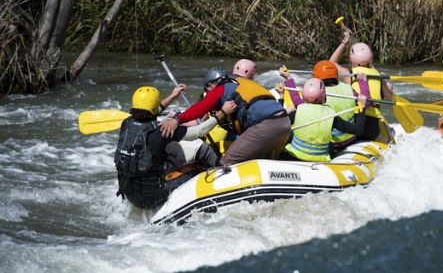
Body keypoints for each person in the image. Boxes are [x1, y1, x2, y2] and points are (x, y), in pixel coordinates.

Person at [114, 86, 236, 208]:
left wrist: (172, 96)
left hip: (129, 194)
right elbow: (201, 131)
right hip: (153, 197)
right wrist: (222, 112)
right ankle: (224, 173)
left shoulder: (126, 123)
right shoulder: (162, 130)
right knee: (196, 167)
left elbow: (153, 110)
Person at [159, 68, 291, 166]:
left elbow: (200, 107)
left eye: (207, 90)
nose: (208, 93)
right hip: (284, 123)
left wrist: (177, 120)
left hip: (266, 125)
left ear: (211, 85)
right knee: (265, 162)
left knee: (226, 163)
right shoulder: (242, 85)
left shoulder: (220, 89)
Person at [280, 60, 368, 151]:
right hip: (350, 138)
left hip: (331, 143)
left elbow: (299, 104)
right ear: (336, 75)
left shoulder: (319, 94)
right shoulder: (348, 88)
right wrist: (363, 81)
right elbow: (367, 102)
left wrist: (289, 79)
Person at [282, 78, 367, 162]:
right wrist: (362, 107)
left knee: (290, 132)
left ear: (303, 95)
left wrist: (281, 98)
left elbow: (278, 126)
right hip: (319, 160)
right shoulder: (331, 116)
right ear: (323, 95)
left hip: (293, 155)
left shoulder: (296, 112)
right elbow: (358, 130)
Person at [329, 31, 393, 141]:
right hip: (372, 127)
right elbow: (390, 98)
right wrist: (387, 86)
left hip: (354, 122)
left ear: (351, 58)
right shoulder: (378, 76)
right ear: (371, 59)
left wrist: (344, 44)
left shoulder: (348, 74)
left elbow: (330, 63)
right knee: (389, 86)